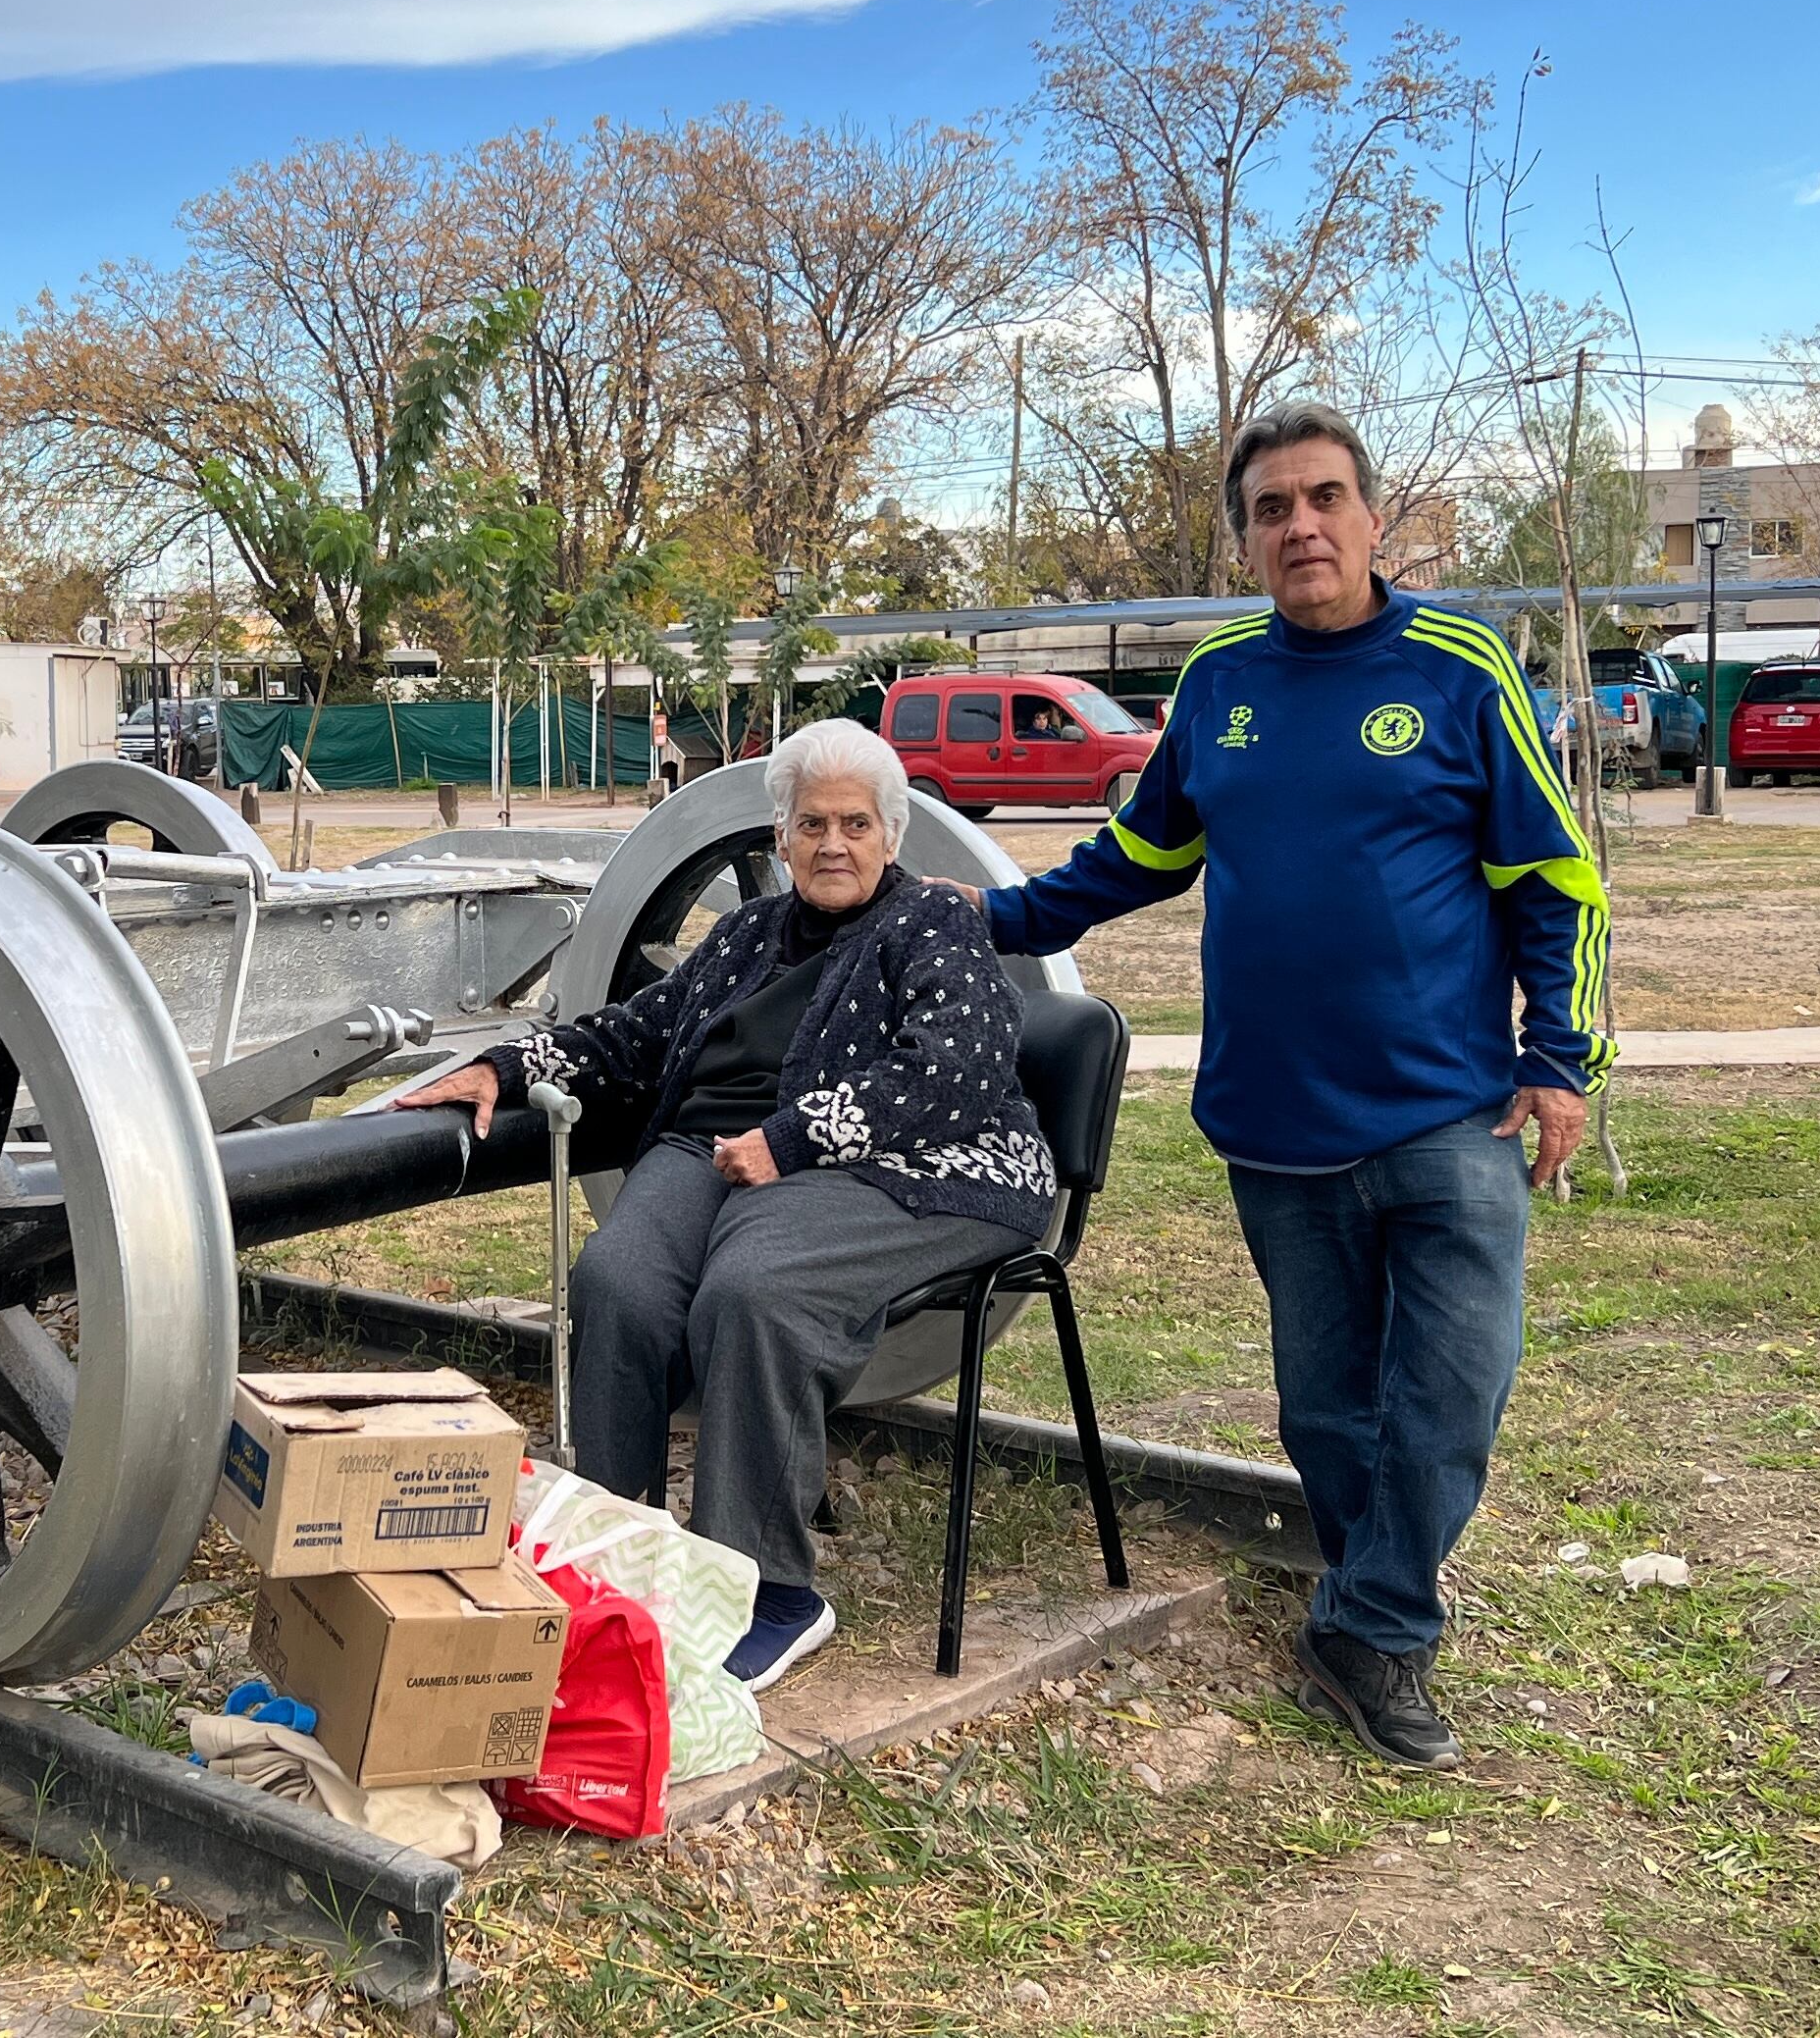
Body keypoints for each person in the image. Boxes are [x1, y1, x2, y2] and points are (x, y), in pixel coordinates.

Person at [978, 399, 1612, 1770]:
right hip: (1277, 1124)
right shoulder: (1219, 685)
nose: (1302, 525)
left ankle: (1376, 1625)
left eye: (1325, 498)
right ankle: (1364, 1615)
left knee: (1450, 1395)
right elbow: (1138, 857)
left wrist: (1562, 1061)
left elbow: (1556, 877)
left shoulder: (1461, 668)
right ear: (1250, 538)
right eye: (1272, 508)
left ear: (1373, 518)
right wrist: (974, 917)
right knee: (1326, 1408)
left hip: (1451, 1111)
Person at [398, 720, 1055, 1693]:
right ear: (781, 838)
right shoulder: (748, 933)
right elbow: (639, 1032)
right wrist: (507, 1062)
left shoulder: (935, 924)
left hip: (912, 1165)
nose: (834, 844)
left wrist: (795, 1140)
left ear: (892, 833)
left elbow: (953, 1071)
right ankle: (612, 1551)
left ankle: (767, 1589)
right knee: (615, 1284)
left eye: (857, 824)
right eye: (812, 824)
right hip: (717, 1151)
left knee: (752, 1293)